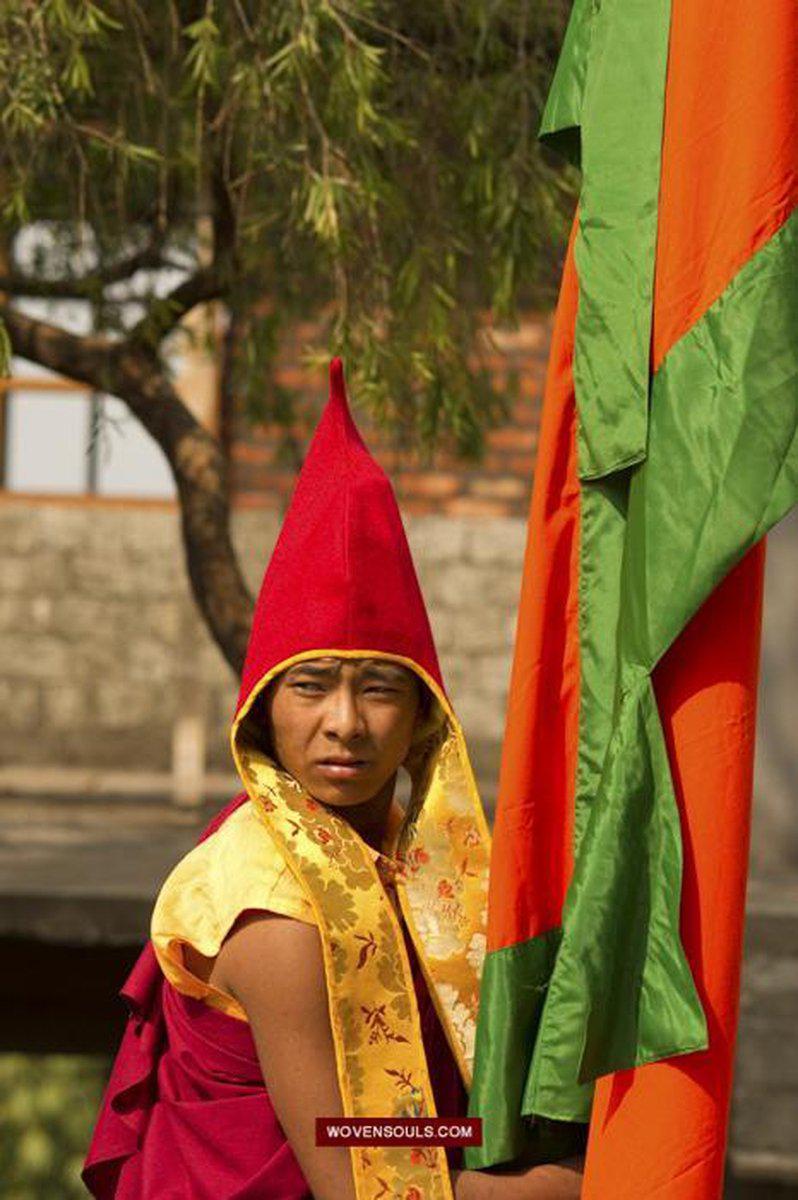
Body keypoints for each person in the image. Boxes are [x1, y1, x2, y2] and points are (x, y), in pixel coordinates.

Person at [83, 359, 584, 1199]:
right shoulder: (273, 907)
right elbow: (363, 1173)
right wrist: (589, 1176)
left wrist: (488, 1136)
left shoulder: (408, 858)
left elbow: (408, 1128)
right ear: (263, 711)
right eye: (311, 686)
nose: (345, 723)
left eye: (378, 689)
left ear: (423, 717)